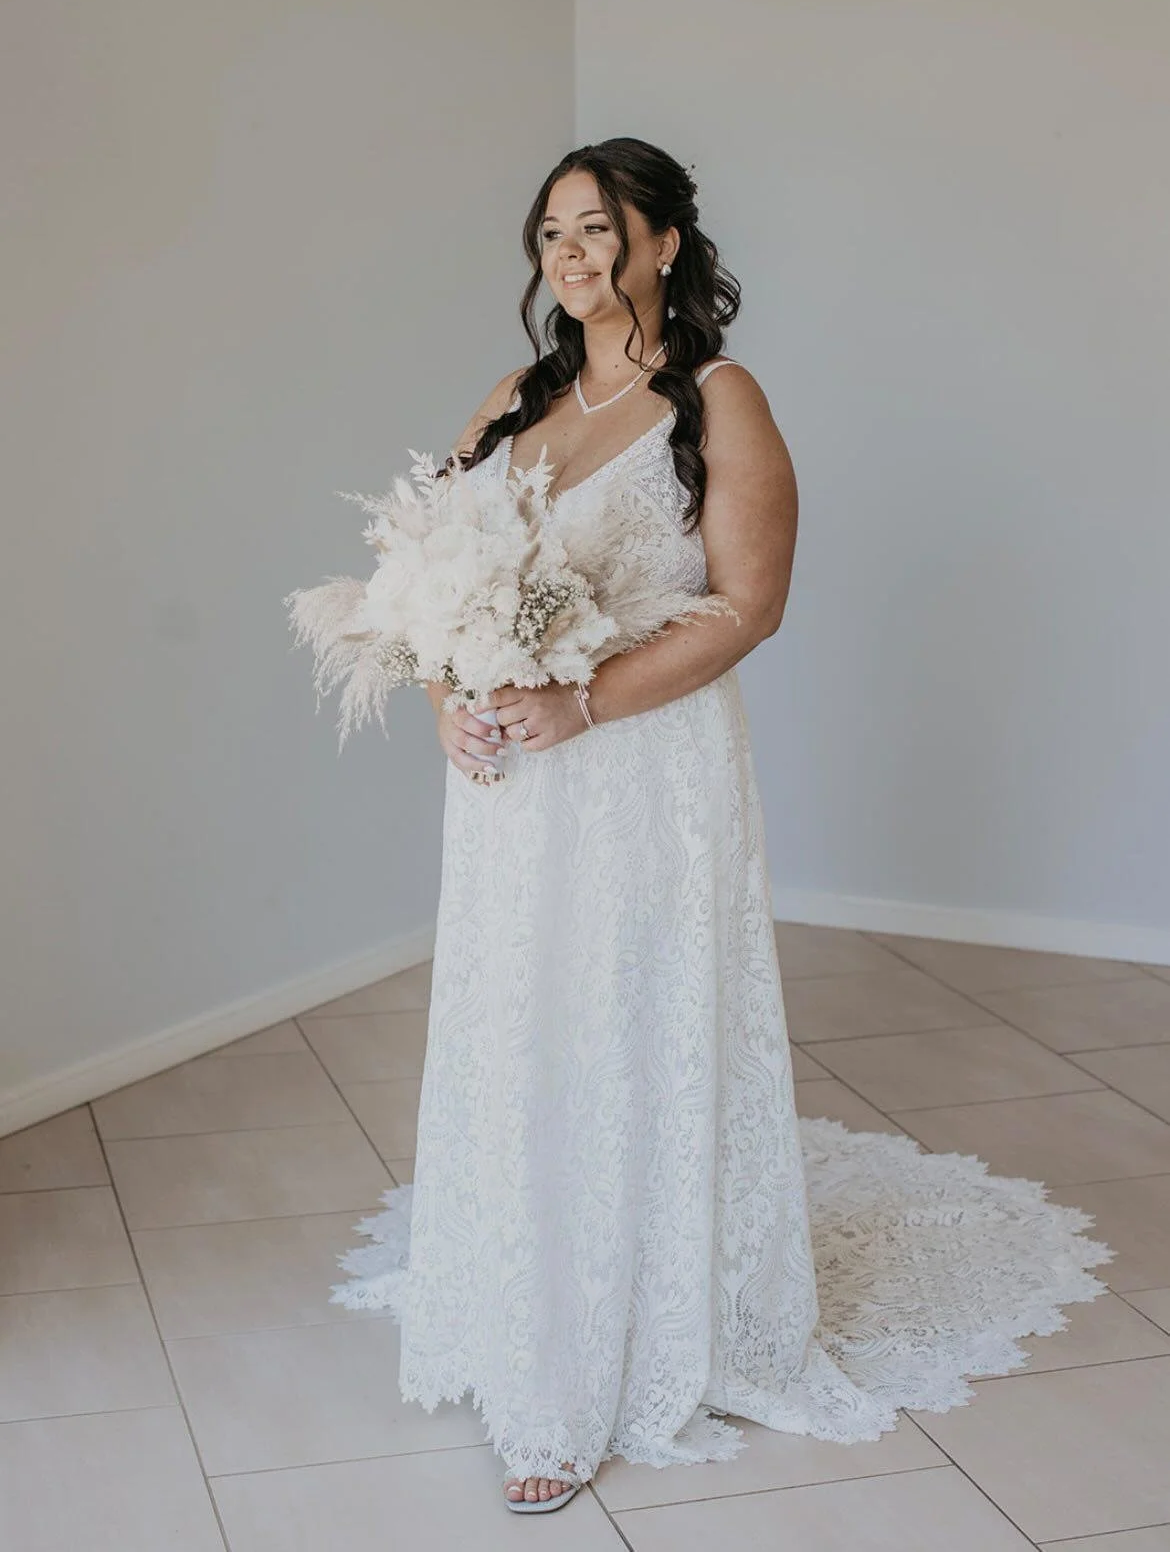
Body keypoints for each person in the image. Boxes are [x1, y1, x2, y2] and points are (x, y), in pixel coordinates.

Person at [331, 138, 1112, 1515]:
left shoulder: (719, 396)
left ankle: (594, 1369)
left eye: (597, 228)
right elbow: (431, 576)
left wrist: (586, 705)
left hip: (640, 769)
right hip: (511, 787)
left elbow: (749, 603)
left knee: (621, 1024)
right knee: (522, 1025)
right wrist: (451, 695)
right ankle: (518, 1293)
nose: (569, 254)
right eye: (551, 233)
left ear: (665, 244)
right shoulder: (518, 396)